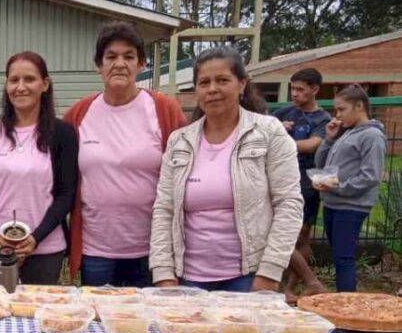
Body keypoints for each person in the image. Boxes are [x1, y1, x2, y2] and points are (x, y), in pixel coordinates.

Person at [150, 47, 303, 292]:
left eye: (222, 80)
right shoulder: (179, 141)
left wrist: (270, 272)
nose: (212, 89)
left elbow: (288, 204)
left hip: (249, 276)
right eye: (204, 82)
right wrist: (163, 272)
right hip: (187, 278)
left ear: (241, 84)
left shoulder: (268, 132)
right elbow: (164, 209)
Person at [65, 22, 188, 287]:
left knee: (145, 324)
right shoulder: (80, 113)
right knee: (98, 324)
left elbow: (189, 164)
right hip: (95, 249)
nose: (119, 63)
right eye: (111, 57)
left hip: (151, 250)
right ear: (99, 65)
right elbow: (45, 146)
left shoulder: (163, 109)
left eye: (129, 56)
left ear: (141, 64)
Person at [0, 51, 78, 285]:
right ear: (6, 85)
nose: (21, 87)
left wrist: (36, 238)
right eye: (14, 80)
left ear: (44, 84)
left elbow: (66, 195)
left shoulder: (63, 134)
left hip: (45, 249)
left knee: (36, 317)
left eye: (29, 79)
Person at [314, 85, 387, 292]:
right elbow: (321, 162)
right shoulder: (346, 133)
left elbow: (370, 176)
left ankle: (346, 301)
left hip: (352, 205)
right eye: (336, 110)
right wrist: (329, 139)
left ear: (359, 106)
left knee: (343, 257)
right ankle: (342, 299)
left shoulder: (372, 136)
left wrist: (338, 187)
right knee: (338, 255)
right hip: (333, 202)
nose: (337, 115)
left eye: (342, 109)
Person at [273, 68, 331, 301]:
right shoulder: (283, 113)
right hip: (278, 180)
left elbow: (312, 145)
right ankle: (280, 285)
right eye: (292, 89)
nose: (294, 94)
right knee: (280, 234)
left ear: (314, 90)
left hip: (306, 183)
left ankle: (294, 286)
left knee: (302, 236)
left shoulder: (322, 120)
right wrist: (276, 128)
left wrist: (279, 136)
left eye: (300, 89)